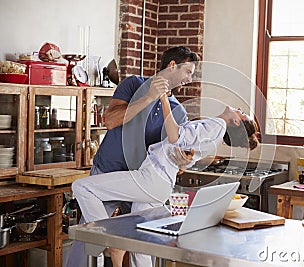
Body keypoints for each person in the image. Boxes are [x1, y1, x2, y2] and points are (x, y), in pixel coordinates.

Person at [72, 88, 260, 267]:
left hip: (152, 178)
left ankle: (109, 239)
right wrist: (183, 161)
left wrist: (162, 98)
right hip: (161, 183)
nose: (240, 110)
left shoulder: (217, 125)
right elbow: (185, 156)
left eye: (242, 113)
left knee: (82, 187)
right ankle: (112, 241)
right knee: (141, 244)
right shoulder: (215, 137)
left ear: (236, 122)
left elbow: (174, 135)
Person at [66, 46, 199, 267]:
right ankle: (107, 245)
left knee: (141, 238)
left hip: (140, 180)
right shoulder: (133, 84)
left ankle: (114, 244)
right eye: (188, 72)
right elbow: (111, 120)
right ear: (172, 65)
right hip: (108, 170)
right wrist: (149, 97)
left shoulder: (178, 111)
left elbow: (170, 154)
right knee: (89, 236)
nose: (190, 79)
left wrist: (184, 159)